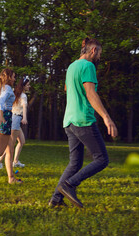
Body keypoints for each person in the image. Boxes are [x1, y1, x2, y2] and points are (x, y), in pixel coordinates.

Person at [48, 38, 118, 208]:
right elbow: (90, 93)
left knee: (75, 163)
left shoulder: (72, 67)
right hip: (83, 119)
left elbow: (66, 88)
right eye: (99, 54)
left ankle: (56, 199)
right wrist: (106, 117)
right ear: (93, 50)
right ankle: (69, 185)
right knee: (102, 159)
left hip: (69, 121)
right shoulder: (88, 66)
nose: (99, 58)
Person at [0, 77, 30, 169]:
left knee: (22, 141)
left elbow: (3, 89)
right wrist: (24, 118)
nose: (29, 86)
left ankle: (16, 161)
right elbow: (25, 107)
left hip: (14, 118)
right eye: (28, 85)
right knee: (10, 145)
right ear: (24, 86)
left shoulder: (15, 93)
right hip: (16, 118)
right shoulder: (23, 96)